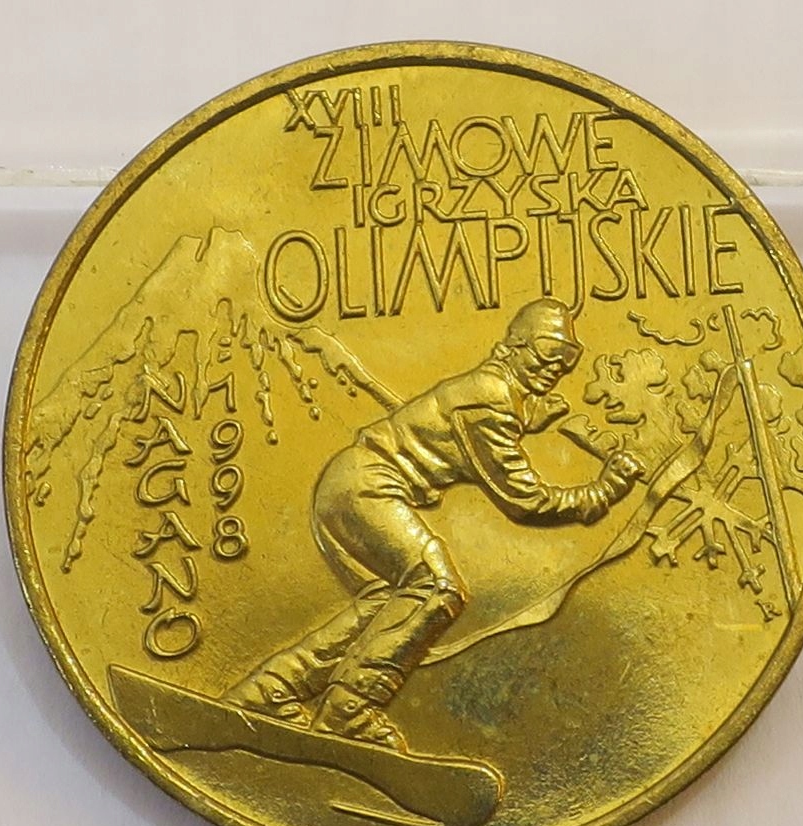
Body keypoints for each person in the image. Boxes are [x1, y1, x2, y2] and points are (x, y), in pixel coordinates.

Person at [224, 298, 644, 750]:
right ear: (512, 346)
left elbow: (474, 423)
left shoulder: (491, 394)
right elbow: (524, 501)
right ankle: (349, 710)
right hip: (368, 489)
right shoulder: (488, 401)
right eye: (547, 349)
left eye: (568, 356)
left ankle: (268, 692)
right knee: (436, 587)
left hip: (345, 487)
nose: (556, 366)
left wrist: (528, 417)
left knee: (384, 602)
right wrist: (603, 491)